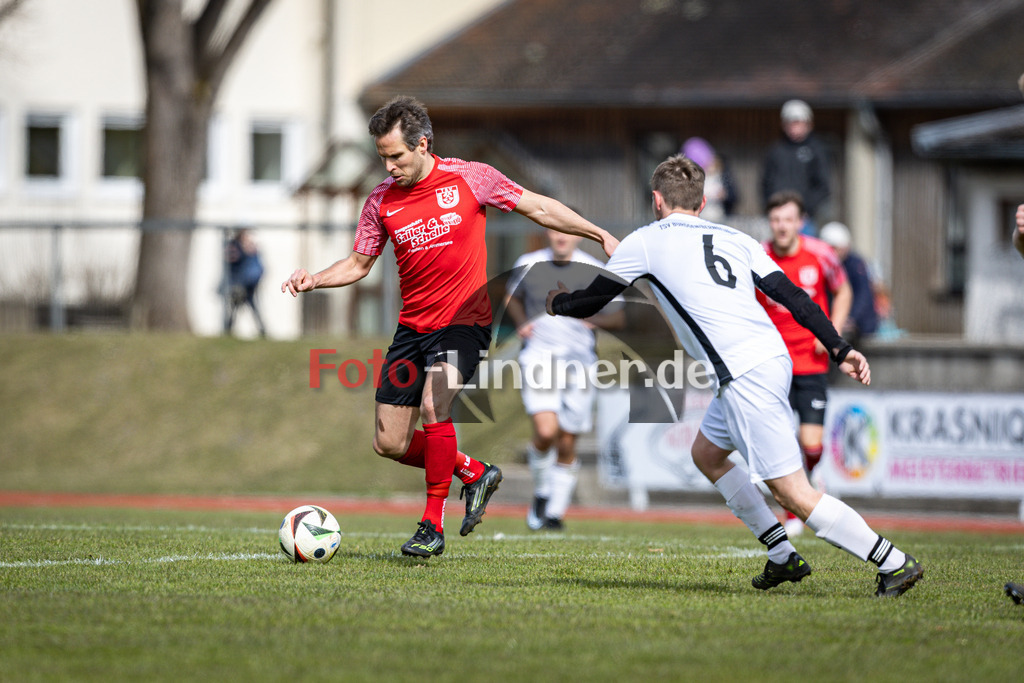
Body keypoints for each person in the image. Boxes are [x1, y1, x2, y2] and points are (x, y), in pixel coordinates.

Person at [547, 155, 922, 598]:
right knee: (707, 454)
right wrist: (838, 347)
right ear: (703, 202)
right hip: (770, 359)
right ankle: (781, 555)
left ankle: (894, 562)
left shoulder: (643, 241)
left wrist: (556, 302)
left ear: (656, 200)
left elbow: (590, 302)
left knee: (793, 493)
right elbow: (794, 297)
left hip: (743, 373)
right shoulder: (735, 237)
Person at [282, 95, 618, 558]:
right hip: (412, 329)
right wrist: (315, 279)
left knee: (433, 404)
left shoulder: (471, 177)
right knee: (389, 442)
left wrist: (598, 234)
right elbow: (359, 264)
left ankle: (431, 526)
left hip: (465, 322)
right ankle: (473, 471)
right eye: (382, 157)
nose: (389, 166)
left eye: (396, 156)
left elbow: (540, 208)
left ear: (423, 143)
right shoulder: (380, 200)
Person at [504, 229, 624, 531]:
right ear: (547, 232)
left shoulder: (594, 269)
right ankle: (543, 493)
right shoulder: (529, 262)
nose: (561, 237)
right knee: (546, 432)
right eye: (555, 230)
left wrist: (594, 319)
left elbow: (618, 317)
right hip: (539, 358)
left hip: (580, 363)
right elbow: (511, 298)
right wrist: (521, 323)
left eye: (567, 232)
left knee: (568, 439)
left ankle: (554, 513)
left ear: (577, 236)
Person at [758, 192, 851, 537]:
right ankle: (792, 512)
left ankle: (812, 475)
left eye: (788, 219)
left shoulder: (821, 254)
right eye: (776, 220)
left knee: (811, 446)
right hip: (773, 364)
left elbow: (844, 291)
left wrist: (831, 333)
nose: (782, 226)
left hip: (811, 362)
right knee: (780, 444)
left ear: (800, 222)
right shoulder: (758, 256)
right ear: (770, 223)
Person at [761, 100, 830, 236]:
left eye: (798, 122)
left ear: (808, 124)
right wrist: (772, 208)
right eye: (790, 123)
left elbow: (823, 186)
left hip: (805, 219)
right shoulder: (776, 150)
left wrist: (804, 209)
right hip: (779, 217)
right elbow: (765, 184)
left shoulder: (816, 150)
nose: (794, 127)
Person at [819, 221, 880, 348]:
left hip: (860, 326)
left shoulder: (856, 264)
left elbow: (863, 294)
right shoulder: (822, 264)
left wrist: (851, 318)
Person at [681, 137, 738, 223]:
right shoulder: (688, 180)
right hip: (699, 217)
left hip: (717, 216)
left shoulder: (720, 176)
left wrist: (725, 195)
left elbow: (733, 196)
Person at [224, 228, 267, 338]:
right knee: (236, 307)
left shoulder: (252, 250)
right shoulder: (235, 247)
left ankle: (262, 330)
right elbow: (232, 264)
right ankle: (228, 329)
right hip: (240, 284)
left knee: (251, 307)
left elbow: (258, 269)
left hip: (250, 285)